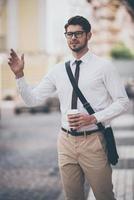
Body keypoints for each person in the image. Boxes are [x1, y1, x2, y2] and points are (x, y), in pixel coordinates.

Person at [8, 15, 129, 200]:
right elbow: (32, 100)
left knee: (104, 195)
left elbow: (123, 102)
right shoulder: (58, 70)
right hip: (65, 141)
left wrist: (94, 118)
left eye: (78, 33)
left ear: (89, 35)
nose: (73, 38)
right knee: (72, 197)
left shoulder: (104, 67)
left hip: (93, 140)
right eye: (69, 34)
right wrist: (19, 75)